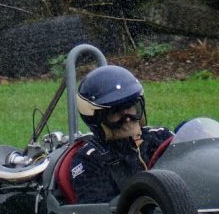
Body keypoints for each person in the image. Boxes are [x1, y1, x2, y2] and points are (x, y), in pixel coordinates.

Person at [57, 64, 174, 203]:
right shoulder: (89, 160)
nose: (128, 118)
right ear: (95, 118)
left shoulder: (161, 137)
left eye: (130, 106)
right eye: (116, 112)